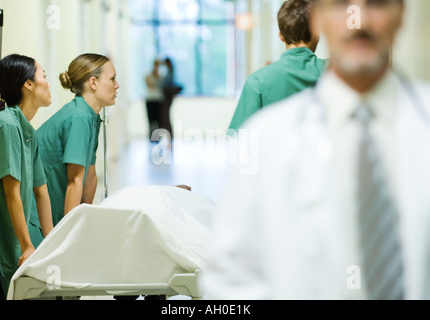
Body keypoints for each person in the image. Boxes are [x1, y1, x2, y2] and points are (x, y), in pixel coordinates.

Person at [203, 0, 430, 299]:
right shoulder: (269, 133)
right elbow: (233, 279)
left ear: (402, 13)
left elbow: (237, 144)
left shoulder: (259, 82)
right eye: (341, 6)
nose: (357, 21)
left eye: (376, 3)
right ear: (318, 23)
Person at [0, 54, 53, 300]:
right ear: (28, 84)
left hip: (6, 233)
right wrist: (27, 246)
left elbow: (40, 190)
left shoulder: (26, 131)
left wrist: (53, 242)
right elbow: (12, 193)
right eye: (44, 75)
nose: (49, 83)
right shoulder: (6, 126)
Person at [30, 53, 120, 241]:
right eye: (112, 79)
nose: (117, 85)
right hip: (34, 215)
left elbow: (89, 177)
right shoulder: (79, 118)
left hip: (51, 210)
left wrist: (85, 223)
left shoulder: (90, 116)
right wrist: (70, 236)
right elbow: (74, 181)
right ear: (93, 83)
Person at [227, 0, 327, 134]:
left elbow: (239, 142)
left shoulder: (257, 82)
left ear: (281, 36)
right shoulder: (337, 74)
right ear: (317, 32)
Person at [145, 59, 164, 139]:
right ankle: (151, 137)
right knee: (151, 120)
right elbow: (149, 85)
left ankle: (158, 136)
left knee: (159, 120)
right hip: (150, 100)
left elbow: (162, 86)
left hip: (158, 101)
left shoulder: (161, 76)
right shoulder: (148, 76)